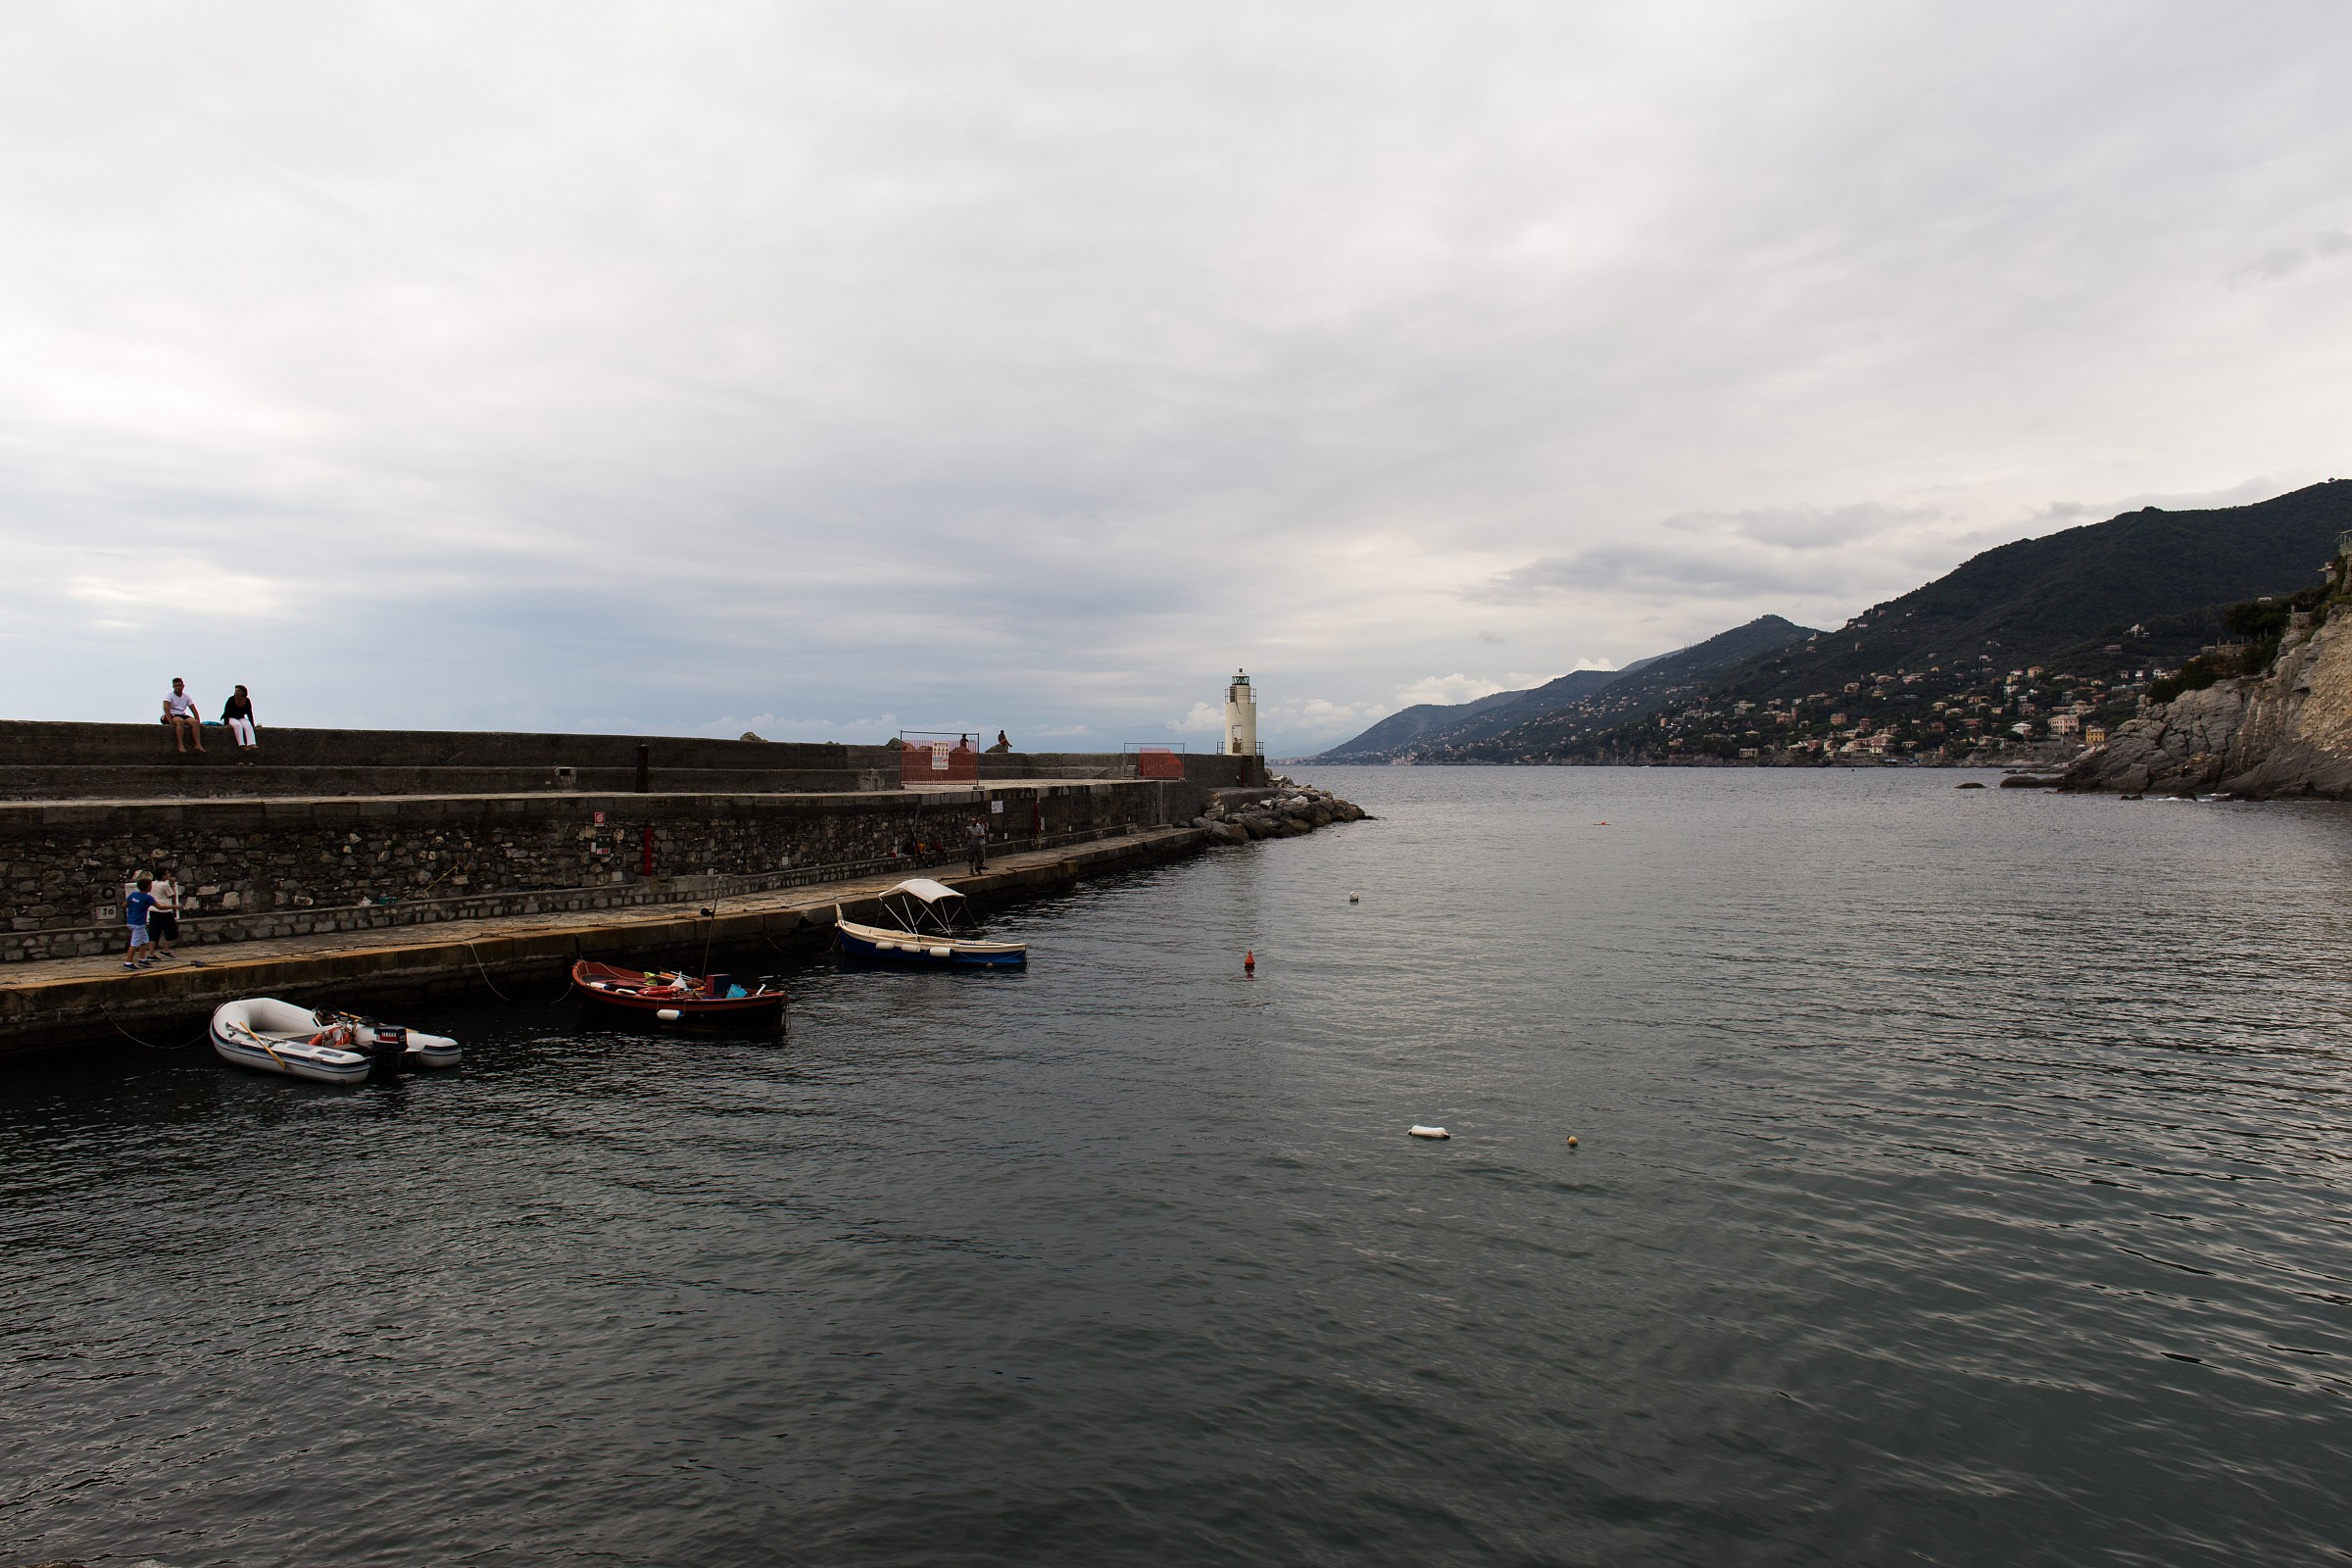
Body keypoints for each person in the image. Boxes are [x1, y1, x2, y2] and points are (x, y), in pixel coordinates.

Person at [147, 867, 182, 960]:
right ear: (163, 876)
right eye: (167, 873)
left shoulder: (152, 884)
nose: (169, 874)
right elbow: (172, 896)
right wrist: (172, 884)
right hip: (164, 911)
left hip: (153, 910)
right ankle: (165, 950)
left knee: (154, 932)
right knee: (171, 931)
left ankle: (151, 954)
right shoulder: (164, 885)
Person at [163, 678, 205, 754]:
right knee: (180, 721)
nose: (178, 687)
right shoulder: (169, 696)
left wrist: (198, 721)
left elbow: (194, 709)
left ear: (183, 686)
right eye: (176, 686)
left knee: (195, 723)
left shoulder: (186, 697)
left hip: (181, 714)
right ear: (173, 687)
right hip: (170, 715)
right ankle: (180, 745)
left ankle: (198, 744)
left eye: (179, 685)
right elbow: (166, 708)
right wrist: (170, 721)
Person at [123, 876, 157, 969]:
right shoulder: (147, 898)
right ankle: (128, 962)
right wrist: (174, 907)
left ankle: (143, 959)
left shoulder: (133, 894)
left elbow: (124, 905)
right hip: (138, 924)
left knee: (144, 941)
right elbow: (160, 907)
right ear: (147, 887)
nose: (151, 887)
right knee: (134, 943)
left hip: (131, 921)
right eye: (150, 885)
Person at [221, 685, 259, 750]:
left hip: (240, 717)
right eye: (235, 691)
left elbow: (249, 713)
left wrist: (252, 724)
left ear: (243, 692)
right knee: (238, 725)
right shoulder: (231, 699)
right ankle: (242, 745)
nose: (236, 692)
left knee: (247, 725)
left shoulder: (247, 701)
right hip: (229, 718)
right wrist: (226, 724)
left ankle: (251, 743)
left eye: (238, 691)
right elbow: (226, 712)